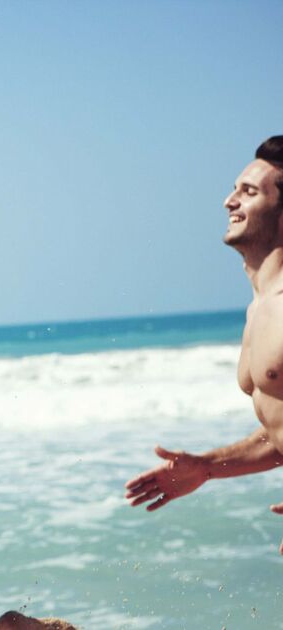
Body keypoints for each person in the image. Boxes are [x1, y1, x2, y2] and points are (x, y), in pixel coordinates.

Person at [125, 136, 283, 553]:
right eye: (235, 189)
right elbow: (279, 432)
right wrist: (208, 467)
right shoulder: (260, 308)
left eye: (249, 192)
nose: (229, 201)